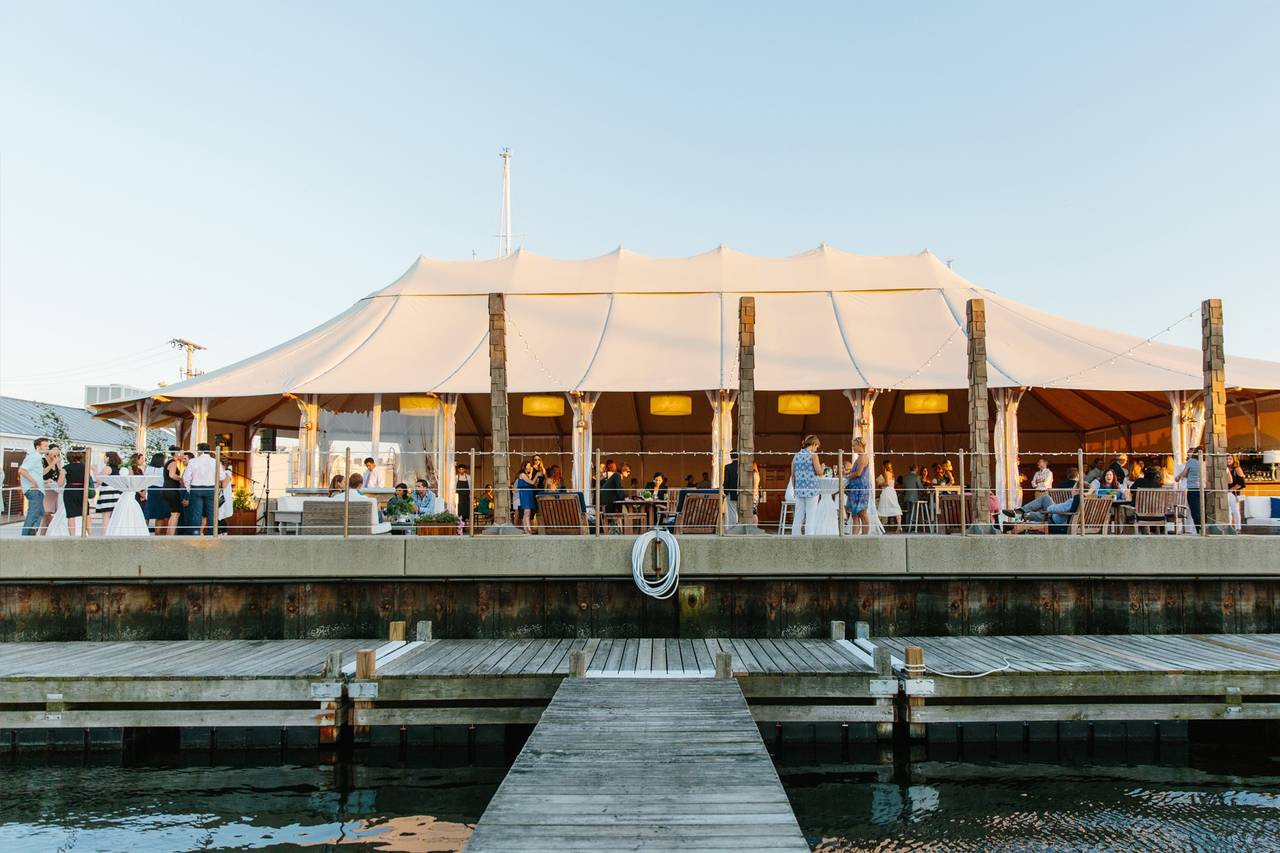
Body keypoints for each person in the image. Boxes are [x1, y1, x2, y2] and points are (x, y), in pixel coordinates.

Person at [180, 443, 219, 535]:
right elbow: (221, 476)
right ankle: (212, 535)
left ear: (199, 451)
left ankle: (195, 534)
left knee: (196, 514)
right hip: (210, 489)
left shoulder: (193, 461)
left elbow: (186, 477)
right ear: (209, 450)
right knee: (211, 514)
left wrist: (189, 488)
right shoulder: (214, 461)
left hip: (196, 488)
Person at [790, 435, 824, 536]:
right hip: (812, 490)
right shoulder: (813, 455)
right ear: (813, 444)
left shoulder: (796, 455)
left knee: (798, 515)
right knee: (811, 515)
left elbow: (793, 474)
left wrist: (795, 489)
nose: (816, 449)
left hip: (800, 490)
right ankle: (809, 537)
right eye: (817, 446)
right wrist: (822, 467)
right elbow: (819, 472)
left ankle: (795, 536)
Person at [19, 437, 49, 536]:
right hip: (34, 490)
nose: (47, 448)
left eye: (47, 446)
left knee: (40, 512)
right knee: (33, 513)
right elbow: (22, 470)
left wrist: (53, 462)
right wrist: (33, 482)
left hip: (38, 490)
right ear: (38, 447)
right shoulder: (34, 456)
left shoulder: (38, 458)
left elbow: (41, 473)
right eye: (45, 446)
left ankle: (31, 532)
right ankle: (26, 536)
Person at [844, 438, 872, 535]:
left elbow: (859, 473)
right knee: (854, 515)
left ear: (860, 445)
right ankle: (854, 537)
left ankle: (865, 537)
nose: (852, 448)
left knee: (862, 514)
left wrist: (847, 476)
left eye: (854, 445)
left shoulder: (863, 457)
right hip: (855, 490)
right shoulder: (859, 457)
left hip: (860, 490)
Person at [95, 451, 124, 532]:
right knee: (113, 516)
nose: (104, 458)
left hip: (107, 493)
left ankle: (105, 535)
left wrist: (95, 470)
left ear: (108, 458)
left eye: (105, 457)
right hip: (116, 492)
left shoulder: (107, 468)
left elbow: (99, 481)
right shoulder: (119, 469)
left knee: (106, 516)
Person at [62, 448, 89, 536]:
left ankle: (72, 536)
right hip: (82, 490)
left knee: (71, 515)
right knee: (86, 513)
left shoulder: (65, 468)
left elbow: (60, 483)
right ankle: (90, 534)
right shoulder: (86, 466)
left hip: (70, 490)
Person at [39, 443, 65, 534]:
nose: (56, 452)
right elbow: (41, 474)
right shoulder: (42, 461)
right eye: (54, 450)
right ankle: (46, 531)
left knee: (50, 512)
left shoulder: (57, 462)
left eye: (57, 451)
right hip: (45, 489)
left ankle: (47, 532)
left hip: (55, 490)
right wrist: (53, 463)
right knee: (46, 512)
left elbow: (61, 476)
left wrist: (58, 464)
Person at [162, 446, 185, 535]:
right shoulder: (173, 462)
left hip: (168, 489)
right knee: (176, 513)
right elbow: (172, 475)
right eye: (182, 453)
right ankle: (170, 535)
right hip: (171, 489)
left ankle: (169, 534)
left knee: (174, 513)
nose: (183, 455)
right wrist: (181, 478)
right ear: (176, 453)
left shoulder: (170, 462)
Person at [144, 452, 168, 533]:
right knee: (159, 514)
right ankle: (157, 533)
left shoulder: (148, 468)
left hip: (150, 491)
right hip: (160, 491)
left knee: (148, 513)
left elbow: (144, 480)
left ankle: (143, 532)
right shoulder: (164, 470)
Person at [876, 462, 902, 532]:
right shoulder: (891, 474)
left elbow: (887, 483)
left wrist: (880, 484)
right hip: (892, 492)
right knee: (895, 507)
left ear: (884, 466)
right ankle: (899, 525)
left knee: (882, 508)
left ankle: (878, 526)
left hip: (887, 492)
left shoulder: (887, 473)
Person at [515, 459, 538, 533]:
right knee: (527, 513)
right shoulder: (522, 475)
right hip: (525, 495)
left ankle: (526, 529)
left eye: (530, 465)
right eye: (528, 465)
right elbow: (532, 482)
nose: (530, 467)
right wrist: (537, 475)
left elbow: (530, 478)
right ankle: (528, 529)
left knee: (527, 512)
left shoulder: (526, 475)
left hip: (528, 495)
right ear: (524, 466)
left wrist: (531, 471)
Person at [1227, 454, 1247, 531]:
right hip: (1226, 492)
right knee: (1228, 510)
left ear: (1234, 460)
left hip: (1233, 493)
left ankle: (1238, 527)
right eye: (1227, 459)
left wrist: (1231, 489)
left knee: (1235, 510)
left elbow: (1242, 483)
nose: (1228, 461)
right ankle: (1229, 526)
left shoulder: (1237, 469)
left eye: (1230, 459)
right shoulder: (1225, 469)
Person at [723, 452, 741, 526]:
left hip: (731, 492)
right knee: (741, 512)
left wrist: (725, 491)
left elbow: (726, 480)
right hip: (742, 493)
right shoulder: (742, 467)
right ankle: (741, 528)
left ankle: (732, 528)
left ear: (731, 457)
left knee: (732, 511)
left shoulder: (728, 467)